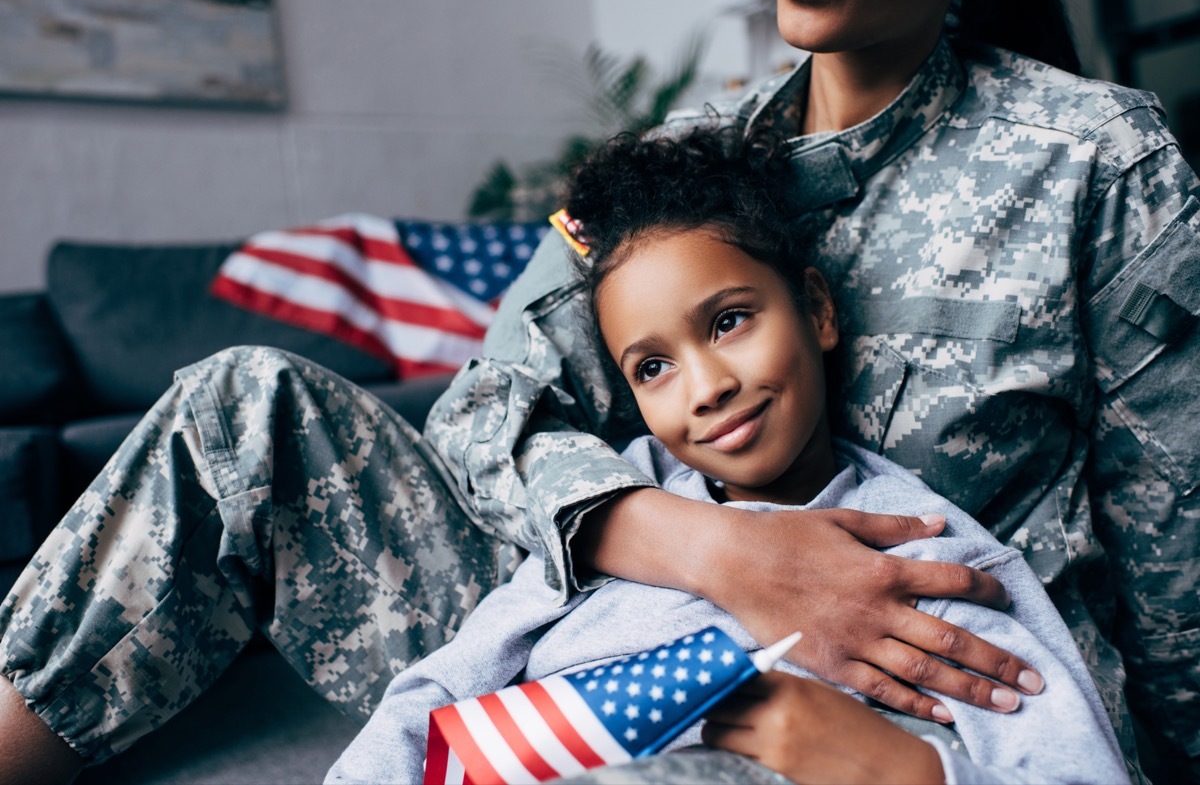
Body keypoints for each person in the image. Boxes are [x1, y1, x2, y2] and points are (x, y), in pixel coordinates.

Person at [2, 0, 1196, 781]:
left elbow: (1175, 572)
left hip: (910, 713)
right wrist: (714, 552)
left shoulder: (1101, 160)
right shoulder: (680, 161)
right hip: (595, 631)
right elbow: (482, 409)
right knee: (240, 409)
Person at [325, 127, 1130, 785]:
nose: (704, 387)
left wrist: (909, 771)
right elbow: (438, 690)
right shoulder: (622, 505)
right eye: (652, 367)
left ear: (816, 309)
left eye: (729, 321)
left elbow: (1072, 765)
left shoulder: (920, 555)